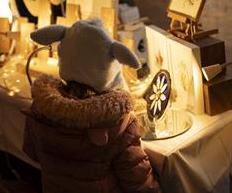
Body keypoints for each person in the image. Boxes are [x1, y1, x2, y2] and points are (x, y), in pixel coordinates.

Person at [22, 19, 161, 192]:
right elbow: (138, 181)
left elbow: (32, 152)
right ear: (110, 67)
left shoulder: (41, 110)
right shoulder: (117, 122)